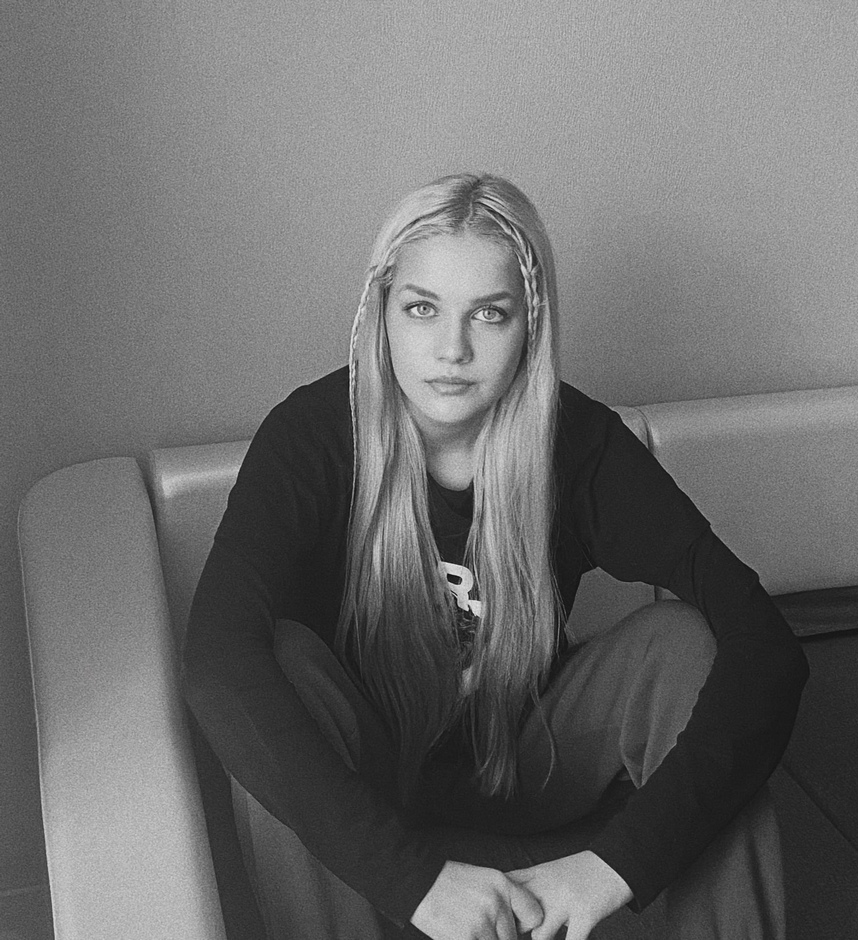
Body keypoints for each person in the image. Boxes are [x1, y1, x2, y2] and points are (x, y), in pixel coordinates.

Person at [182, 173, 809, 940]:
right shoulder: (311, 438)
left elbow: (766, 647)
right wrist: (412, 882)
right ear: (381, 312)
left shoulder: (579, 445)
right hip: (372, 795)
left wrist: (615, 866)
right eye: (422, 308)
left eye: (489, 313)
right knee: (274, 663)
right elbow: (215, 660)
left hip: (530, 766)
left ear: (530, 324)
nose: (452, 350)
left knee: (687, 645)